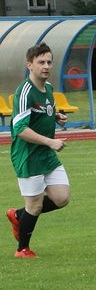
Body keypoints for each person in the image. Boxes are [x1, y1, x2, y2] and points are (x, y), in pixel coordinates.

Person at [6, 42, 69, 258]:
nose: (46, 66)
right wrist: (51, 142)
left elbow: (44, 111)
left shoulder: (48, 88)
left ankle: (18, 215)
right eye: (41, 62)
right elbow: (20, 129)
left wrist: (57, 117)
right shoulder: (25, 91)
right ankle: (22, 249)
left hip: (45, 153)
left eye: (49, 62)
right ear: (29, 65)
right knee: (34, 205)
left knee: (62, 197)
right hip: (28, 155)